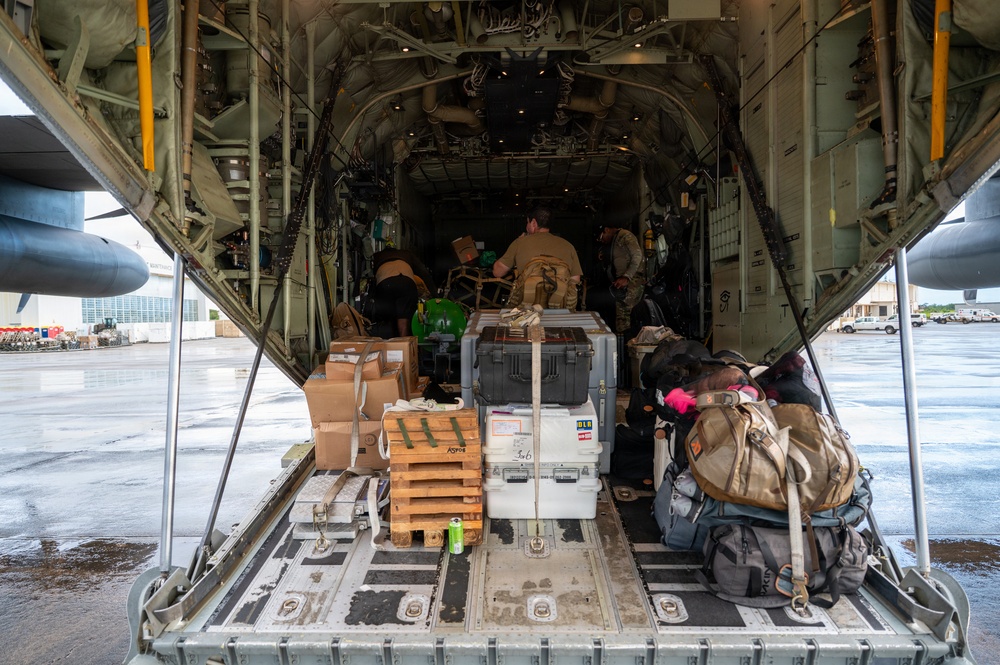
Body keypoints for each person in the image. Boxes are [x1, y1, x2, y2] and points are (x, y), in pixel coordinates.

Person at [493, 206, 583, 308]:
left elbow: (498, 272)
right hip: (558, 308)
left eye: (527, 222)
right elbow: (575, 280)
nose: (526, 226)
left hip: (526, 309)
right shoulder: (568, 246)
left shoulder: (519, 243)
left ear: (533, 223)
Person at [370, 248, 435, 337]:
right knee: (404, 319)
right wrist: (435, 295)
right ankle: (403, 342)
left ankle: (387, 342)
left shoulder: (377, 256)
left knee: (386, 320)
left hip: (385, 283)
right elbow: (424, 273)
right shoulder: (406, 254)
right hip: (406, 282)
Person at [596, 224, 646, 334]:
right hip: (621, 282)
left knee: (625, 315)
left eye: (601, 237)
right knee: (621, 316)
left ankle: (627, 341)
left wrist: (627, 276)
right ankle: (624, 339)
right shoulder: (615, 240)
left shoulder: (625, 236)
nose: (602, 241)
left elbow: (637, 255)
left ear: (606, 230)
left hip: (631, 281)